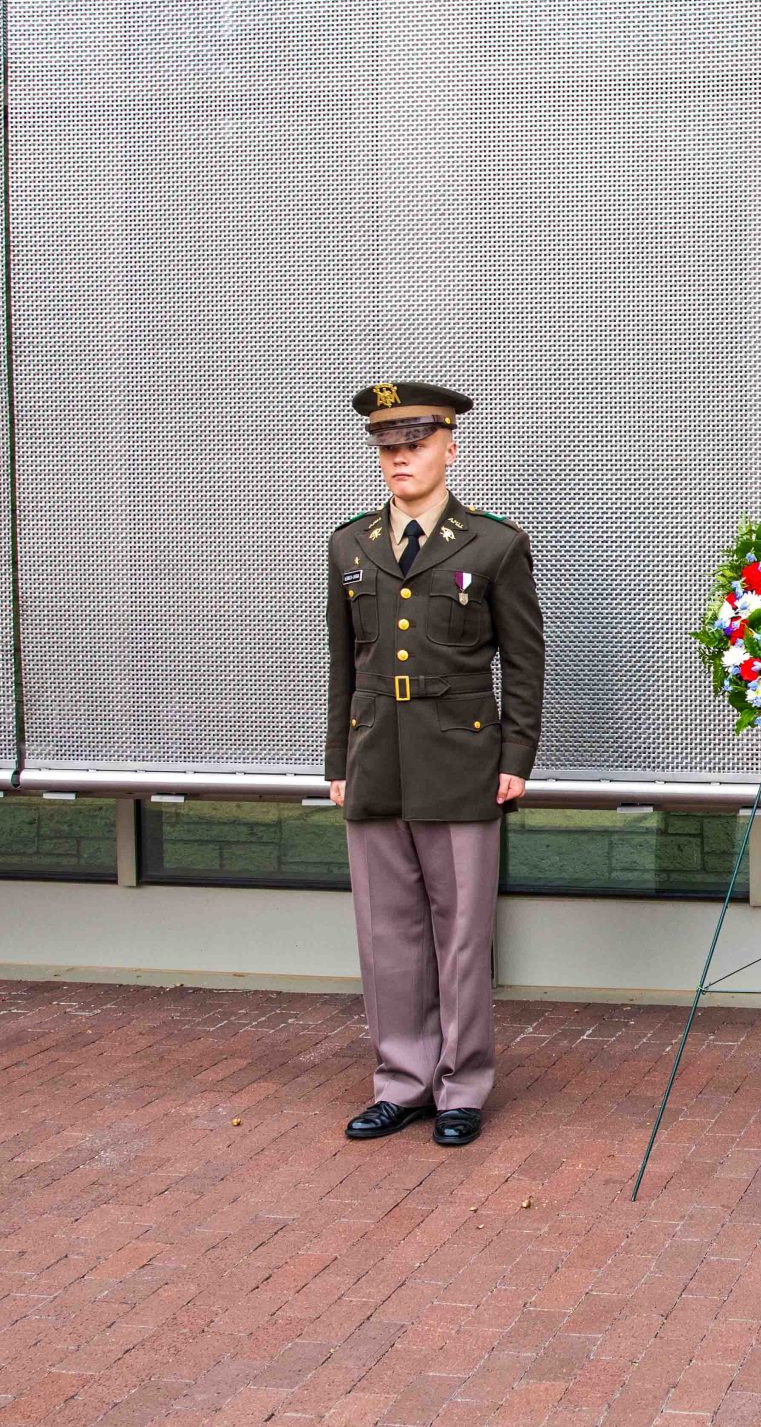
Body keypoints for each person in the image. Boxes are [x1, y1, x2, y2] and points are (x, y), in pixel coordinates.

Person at [326, 381, 545, 1147]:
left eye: (414, 445)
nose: (399, 461)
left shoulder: (493, 544)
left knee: (460, 934)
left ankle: (462, 1084)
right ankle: (401, 1081)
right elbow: (344, 662)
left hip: (462, 759)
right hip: (376, 757)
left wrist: (517, 754)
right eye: (387, 449)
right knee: (387, 934)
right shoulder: (350, 545)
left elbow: (524, 657)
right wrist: (338, 759)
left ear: (451, 447)